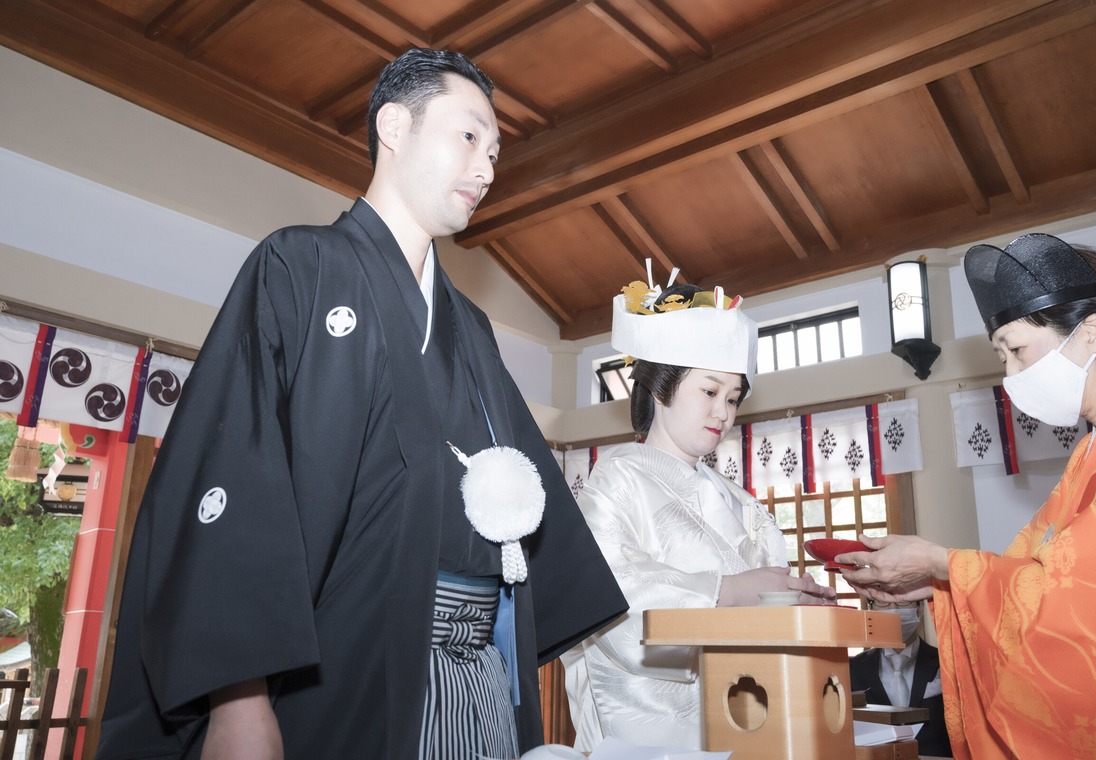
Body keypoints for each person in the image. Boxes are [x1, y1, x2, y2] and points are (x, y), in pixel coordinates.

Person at [95, 48, 627, 760]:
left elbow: (526, 502)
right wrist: (239, 701)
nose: (488, 167)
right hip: (342, 666)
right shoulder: (299, 267)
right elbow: (235, 475)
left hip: (477, 675)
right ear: (395, 126)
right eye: (470, 137)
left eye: (496, 151)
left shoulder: (468, 324)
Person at [838, 233, 1096, 758]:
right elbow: (1032, 571)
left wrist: (942, 561)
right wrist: (939, 579)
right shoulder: (1095, 445)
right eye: (1002, 357)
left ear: (1092, 332)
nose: (1010, 376)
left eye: (1018, 350)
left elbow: (1087, 609)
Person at [562, 277, 835, 752]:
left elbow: (766, 607)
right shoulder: (618, 480)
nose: (723, 413)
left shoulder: (742, 502)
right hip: (651, 730)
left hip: (744, 712)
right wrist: (727, 591)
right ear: (663, 386)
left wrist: (796, 607)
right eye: (709, 391)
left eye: (732, 399)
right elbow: (605, 594)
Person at [848, 599, 952, 757]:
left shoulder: (946, 662)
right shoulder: (852, 668)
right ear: (871, 610)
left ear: (920, 608)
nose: (893, 609)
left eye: (903, 602)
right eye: (883, 602)